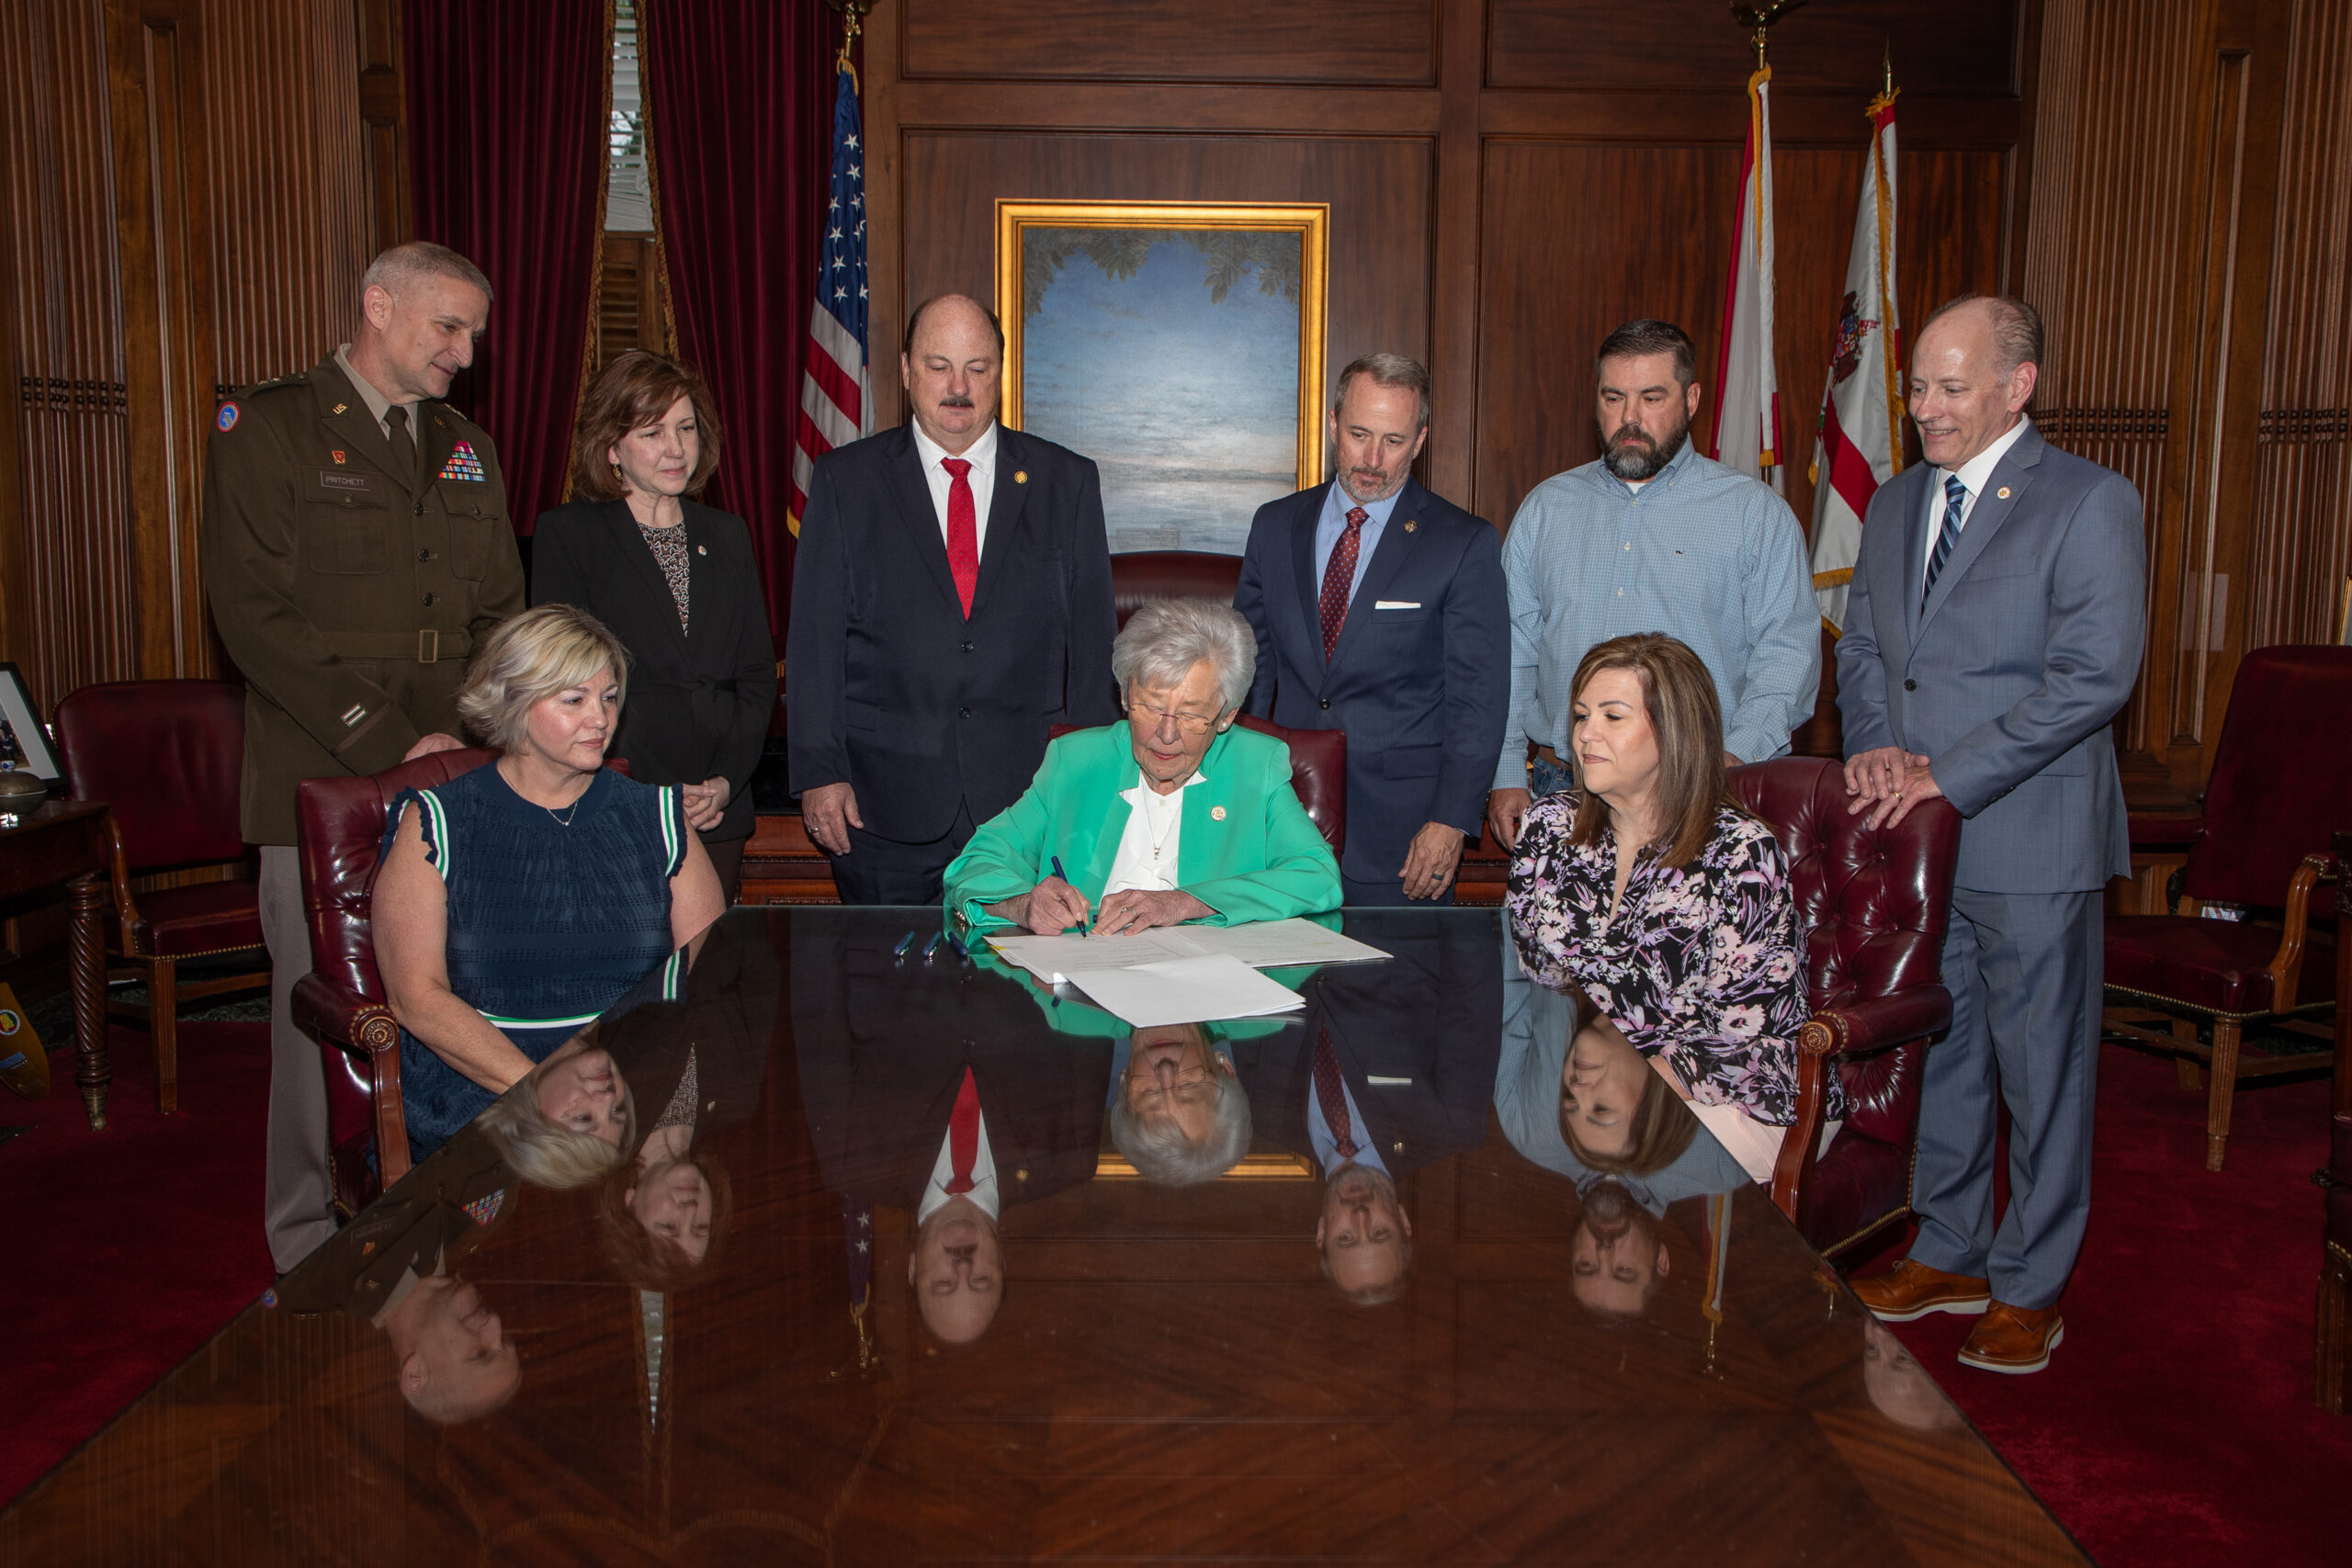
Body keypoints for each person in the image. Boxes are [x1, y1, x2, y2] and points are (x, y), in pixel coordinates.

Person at [1836, 295, 2145, 1377]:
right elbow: (1864, 650)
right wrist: (1876, 750)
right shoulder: (1891, 502)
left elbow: (2093, 678)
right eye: (1917, 386)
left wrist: (1948, 774)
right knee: (1946, 1050)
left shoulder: (2089, 501)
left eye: (1950, 387)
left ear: (2018, 387)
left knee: (2041, 1072)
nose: (1925, 407)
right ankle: (1951, 1248)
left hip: (2029, 837)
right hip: (1916, 843)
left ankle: (2030, 1286)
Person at [203, 241, 526, 1274]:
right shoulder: (270, 426)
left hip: (454, 780)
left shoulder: (467, 448)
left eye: (474, 334)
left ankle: (451, 1201)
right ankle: (308, 1244)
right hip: (321, 770)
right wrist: (393, 744)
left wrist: (480, 739)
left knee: (456, 995)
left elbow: (498, 615)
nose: (464, 353)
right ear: (377, 306)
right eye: (448, 327)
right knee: (320, 1019)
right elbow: (253, 616)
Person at [787, 292, 1118, 904]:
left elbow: (1094, 652)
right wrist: (819, 771)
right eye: (938, 366)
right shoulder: (846, 481)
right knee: (884, 968)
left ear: (1000, 373)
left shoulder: (1066, 482)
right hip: (880, 805)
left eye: (977, 367)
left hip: (1028, 806)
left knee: (1019, 970)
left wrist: (1085, 787)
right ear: (907, 369)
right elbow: (814, 642)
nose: (958, 387)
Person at [373, 604, 726, 1166]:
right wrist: (539, 1091)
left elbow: (708, 977)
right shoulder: (438, 821)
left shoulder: (659, 817)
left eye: (609, 697)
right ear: (514, 702)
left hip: (632, 1085)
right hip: (485, 1092)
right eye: (574, 700)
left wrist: (653, 1102)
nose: (601, 719)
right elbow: (417, 998)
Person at [1504, 633, 1840, 1185]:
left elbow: (1760, 1038)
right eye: (1582, 715)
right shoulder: (1548, 827)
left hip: (1736, 1092)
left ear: (1673, 731)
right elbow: (1529, 978)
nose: (1585, 735)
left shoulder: (1739, 852)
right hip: (1618, 1065)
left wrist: (1654, 1074)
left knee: (1651, 1190)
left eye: (1613, 717)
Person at [1486, 320, 1818, 853]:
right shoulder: (1546, 509)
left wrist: (1730, 764)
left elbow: (1788, 656)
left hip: (1702, 794)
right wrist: (1506, 771)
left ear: (1691, 400)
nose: (1629, 418)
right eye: (1613, 397)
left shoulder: (1754, 514)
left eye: (1651, 398)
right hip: (1563, 787)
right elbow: (1510, 655)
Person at [1233, 353, 1509, 905]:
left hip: (1403, 834)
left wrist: (1451, 819)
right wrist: (1237, 791)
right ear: (1333, 423)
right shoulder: (1275, 525)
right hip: (1281, 815)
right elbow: (1251, 672)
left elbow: (1478, 698)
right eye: (1359, 435)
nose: (1373, 460)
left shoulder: (1462, 543)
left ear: (1420, 439)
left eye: (1394, 441)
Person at [792, 911, 1111, 1347]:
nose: (962, 1267)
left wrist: (815, 904)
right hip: (1026, 907)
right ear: (1003, 1265)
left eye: (943, 1284)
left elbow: (818, 1007)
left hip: (895, 903)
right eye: (981, 1281)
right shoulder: (1068, 1158)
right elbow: (1094, 1003)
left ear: (912, 1269)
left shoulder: (852, 1165)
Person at [531, 351, 778, 905]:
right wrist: (649, 791)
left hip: (717, 806)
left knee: (711, 955)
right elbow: (562, 687)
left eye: (686, 428)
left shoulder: (729, 534)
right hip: (614, 800)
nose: (676, 448)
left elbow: (756, 676)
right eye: (652, 432)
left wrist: (724, 781)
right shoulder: (569, 535)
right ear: (611, 447)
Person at [944, 599, 1341, 936]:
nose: (1166, 734)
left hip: (1208, 990)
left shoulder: (1255, 766)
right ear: (1124, 696)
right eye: (1150, 707)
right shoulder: (1076, 762)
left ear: (1226, 716)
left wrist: (1184, 903)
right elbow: (975, 863)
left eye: (1190, 715)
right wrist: (1023, 904)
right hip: (1088, 990)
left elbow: (1317, 875)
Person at [268, 1122, 521, 1424]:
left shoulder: (314, 1281)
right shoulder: (495, 1208)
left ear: (415, 1373)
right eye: (505, 1339)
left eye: (480, 1354)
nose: (495, 1324)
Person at [1106, 1022, 1255, 1185]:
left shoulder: (1085, 1015)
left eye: (1150, 1092)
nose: (1165, 1070)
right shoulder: (1257, 1016)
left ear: (1124, 1085)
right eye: (1188, 1086)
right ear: (1224, 1068)